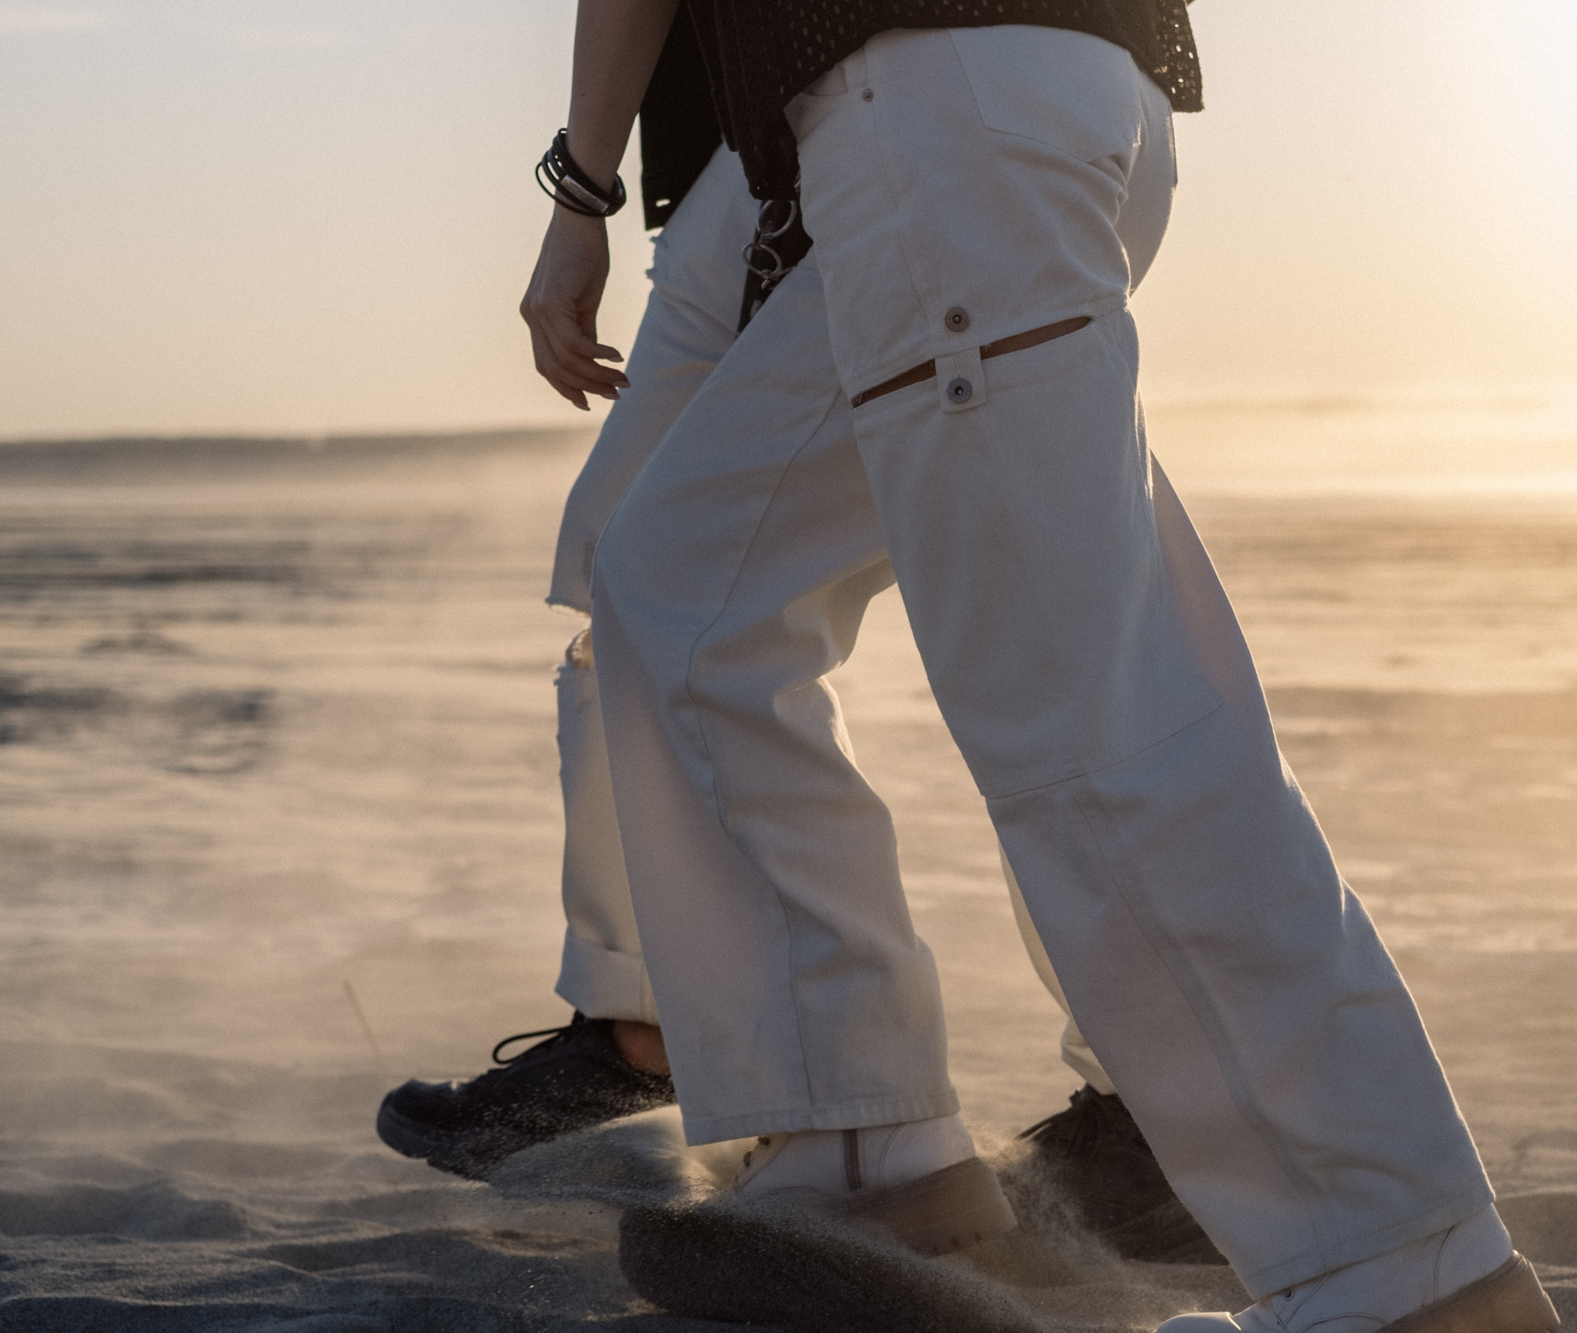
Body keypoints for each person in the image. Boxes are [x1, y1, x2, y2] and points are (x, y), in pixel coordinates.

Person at [518, 0, 1558, 1333]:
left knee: (1078, 697)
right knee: (683, 585)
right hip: (960, 117)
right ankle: (857, 1131)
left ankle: (1388, 1232)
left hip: (940, 114)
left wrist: (583, 189)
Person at [375, 11, 1214, 1265]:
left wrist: (580, 191)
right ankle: (648, 1016)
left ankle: (911, 1130)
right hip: (837, 137)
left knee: (897, 611)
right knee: (645, 569)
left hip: (906, 105)